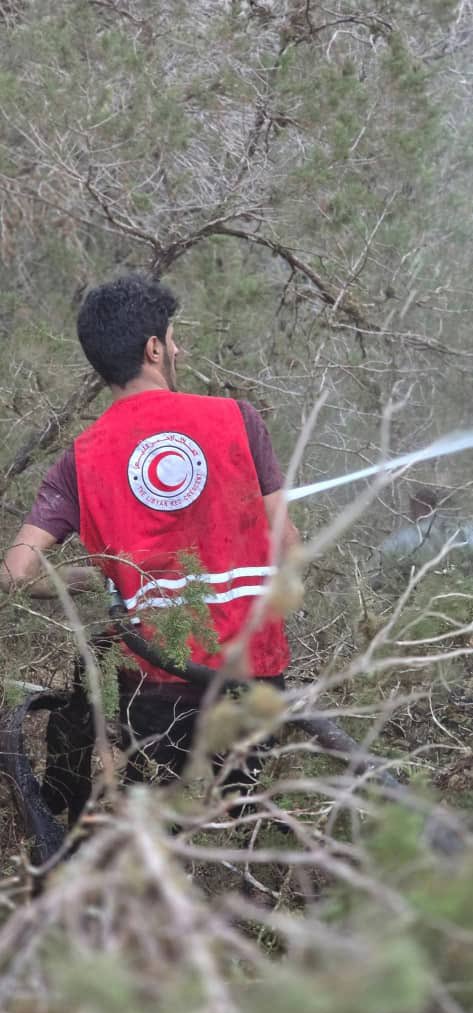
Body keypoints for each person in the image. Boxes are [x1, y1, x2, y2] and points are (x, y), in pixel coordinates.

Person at [1, 274, 299, 806]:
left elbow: (14, 573)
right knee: (250, 822)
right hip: (254, 670)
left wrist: (78, 580)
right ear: (154, 347)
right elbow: (288, 546)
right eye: (172, 337)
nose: (177, 347)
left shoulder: (80, 460)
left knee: (163, 833)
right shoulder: (237, 420)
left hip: (154, 682)